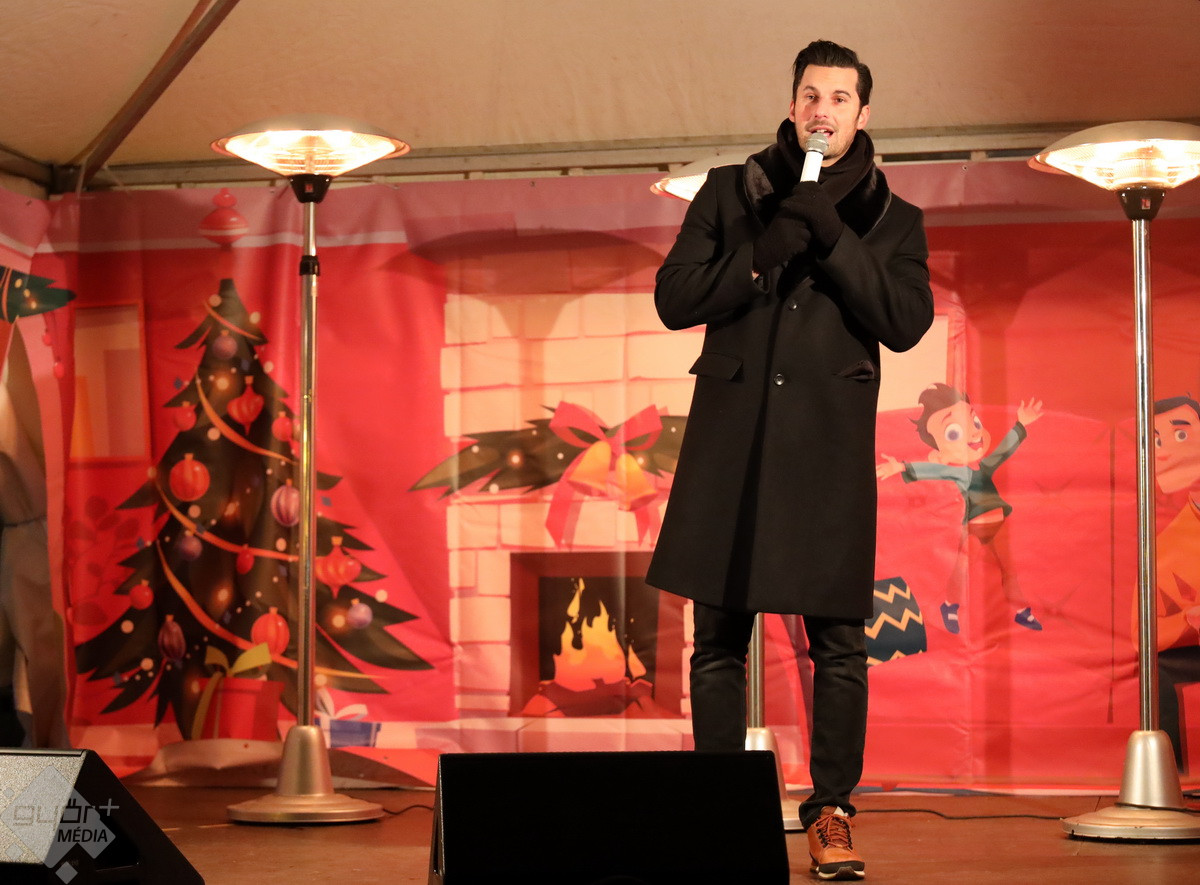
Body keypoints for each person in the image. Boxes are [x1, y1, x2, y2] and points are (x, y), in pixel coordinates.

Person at [646, 39, 933, 881]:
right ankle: (719, 811)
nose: (823, 110)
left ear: (862, 113)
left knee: (839, 643)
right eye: (812, 94)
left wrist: (834, 238)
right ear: (793, 101)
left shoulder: (895, 218)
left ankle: (831, 812)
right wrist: (761, 253)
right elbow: (674, 297)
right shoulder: (731, 190)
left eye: (840, 98)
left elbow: (904, 320)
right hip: (732, 441)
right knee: (716, 640)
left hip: (826, 450)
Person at [876, 384, 1045, 634]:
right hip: (974, 529)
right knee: (961, 570)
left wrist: (1021, 425)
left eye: (974, 422)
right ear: (939, 452)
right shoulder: (957, 472)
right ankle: (950, 606)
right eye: (954, 432)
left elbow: (1003, 450)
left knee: (1009, 571)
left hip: (998, 527)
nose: (974, 434)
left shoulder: (985, 466)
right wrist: (901, 467)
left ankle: (1022, 612)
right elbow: (933, 470)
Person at [1148, 394, 1200, 771]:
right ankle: (1171, 777)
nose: (1163, 453)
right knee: (1157, 671)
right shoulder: (1167, 543)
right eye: (1155, 442)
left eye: (1180, 435)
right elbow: (1143, 633)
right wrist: (1187, 619)